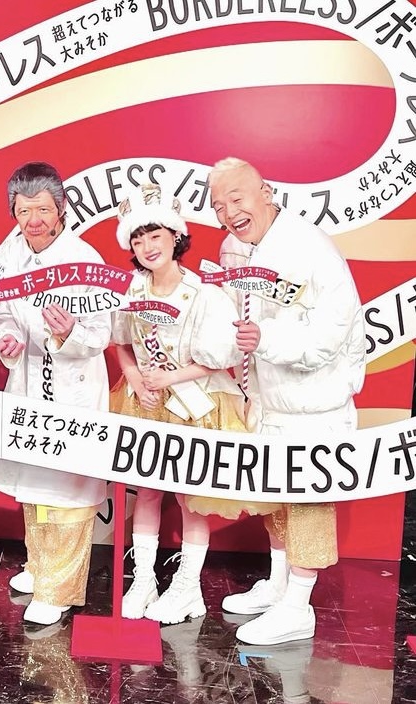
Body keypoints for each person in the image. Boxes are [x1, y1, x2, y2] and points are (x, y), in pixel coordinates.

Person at [208, 157, 365, 645]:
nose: (229, 212)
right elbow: (235, 322)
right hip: (268, 401)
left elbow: (329, 333)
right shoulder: (236, 249)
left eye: (237, 198)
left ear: (266, 192)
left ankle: (299, 606)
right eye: (218, 205)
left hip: (314, 406)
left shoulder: (312, 248)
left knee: (308, 505)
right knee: (274, 499)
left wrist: (267, 339)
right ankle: (279, 586)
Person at [111, 184, 280, 625]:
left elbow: (219, 358)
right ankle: (143, 579)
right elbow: (121, 343)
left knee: (191, 497)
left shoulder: (202, 293)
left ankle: (188, 587)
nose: (148, 247)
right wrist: (135, 378)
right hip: (145, 400)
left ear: (175, 237)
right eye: (138, 239)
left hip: (195, 403)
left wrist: (169, 377)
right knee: (146, 491)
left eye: (156, 236)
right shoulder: (131, 290)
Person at [0, 162, 109, 628]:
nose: (33, 220)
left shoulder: (85, 259)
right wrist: (6, 338)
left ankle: (60, 589)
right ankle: (40, 567)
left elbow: (101, 332)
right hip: (28, 382)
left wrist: (71, 331)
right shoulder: (8, 252)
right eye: (23, 210)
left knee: (67, 491)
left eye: (43, 210)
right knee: (34, 481)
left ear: (61, 209)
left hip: (73, 387)